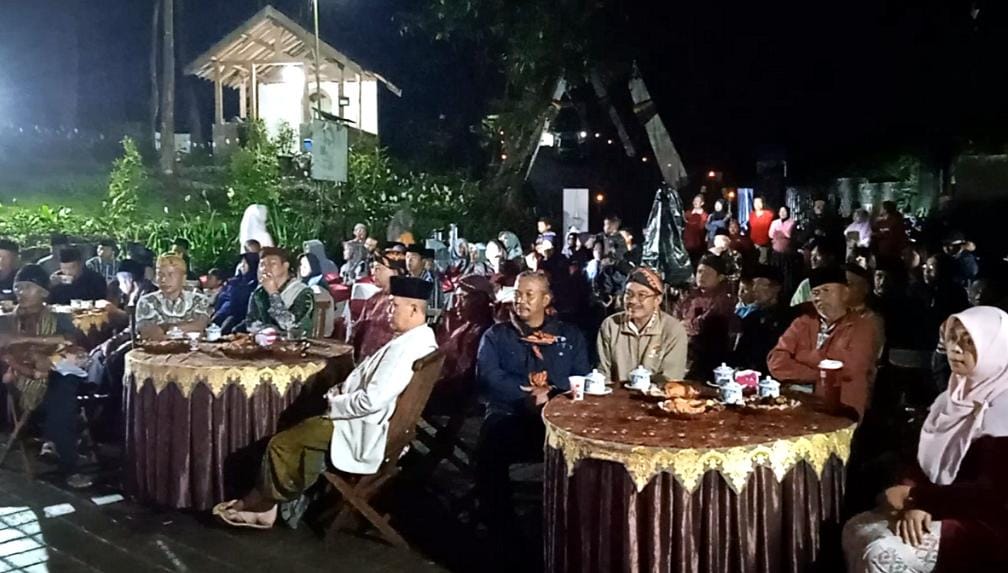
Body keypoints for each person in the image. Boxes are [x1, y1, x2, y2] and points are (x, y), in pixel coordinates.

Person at [213, 277, 437, 529]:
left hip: (362, 427)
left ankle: (263, 507)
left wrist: (335, 402)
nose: (388, 311)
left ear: (414, 309)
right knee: (301, 418)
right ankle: (266, 501)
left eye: (394, 306)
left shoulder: (406, 350)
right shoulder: (421, 339)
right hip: (370, 421)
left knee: (282, 443)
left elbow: (371, 401)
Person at [842, 306, 1008, 572]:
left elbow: (994, 493)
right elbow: (920, 460)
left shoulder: (1004, 407)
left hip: (986, 521)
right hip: (937, 503)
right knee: (856, 528)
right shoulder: (949, 399)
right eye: (952, 337)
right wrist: (907, 495)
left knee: (881, 551)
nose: (955, 349)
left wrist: (920, 500)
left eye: (969, 341)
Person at [475, 272, 589, 551]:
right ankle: (502, 531)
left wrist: (550, 395)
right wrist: (525, 393)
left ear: (546, 299)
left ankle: (572, 528)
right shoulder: (496, 336)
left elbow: (581, 376)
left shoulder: (569, 336)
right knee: (489, 447)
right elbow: (488, 377)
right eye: (517, 294)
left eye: (529, 295)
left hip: (558, 418)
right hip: (509, 414)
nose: (521, 301)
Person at [0, 264, 92, 488]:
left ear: (43, 292)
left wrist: (26, 341)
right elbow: (6, 351)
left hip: (57, 374)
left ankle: (56, 443)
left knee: (64, 384)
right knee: (62, 398)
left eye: (27, 287)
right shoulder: (7, 320)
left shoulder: (58, 317)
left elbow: (69, 342)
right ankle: (69, 466)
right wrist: (35, 360)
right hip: (24, 383)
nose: (20, 292)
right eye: (18, 287)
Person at [767, 266, 879, 418]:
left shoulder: (863, 327)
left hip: (842, 408)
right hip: (798, 405)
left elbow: (849, 369)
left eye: (826, 290)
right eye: (815, 293)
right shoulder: (802, 323)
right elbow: (776, 362)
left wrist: (801, 357)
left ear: (845, 293)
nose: (819, 297)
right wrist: (819, 373)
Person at [597, 267, 687, 382]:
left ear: (657, 300)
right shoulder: (611, 325)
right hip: (616, 393)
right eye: (628, 294)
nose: (633, 301)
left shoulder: (673, 330)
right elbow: (603, 374)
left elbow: (671, 379)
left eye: (642, 295)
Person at [673, 254, 738, 380]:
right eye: (699, 272)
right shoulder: (689, 296)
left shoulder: (724, 299)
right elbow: (675, 316)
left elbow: (705, 323)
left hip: (707, 353)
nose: (702, 276)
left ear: (720, 277)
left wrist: (686, 326)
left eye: (708, 273)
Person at [434, 275, 495, 402]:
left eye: (462, 298)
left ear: (479, 300)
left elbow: (462, 377)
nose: (456, 305)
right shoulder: (467, 327)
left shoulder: (484, 334)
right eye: (456, 299)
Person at [135, 255, 211, 340]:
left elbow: (199, 326)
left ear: (183, 278)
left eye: (170, 275)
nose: (163, 279)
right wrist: (184, 327)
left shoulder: (199, 300)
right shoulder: (146, 301)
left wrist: (167, 328)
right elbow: (148, 331)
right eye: (160, 274)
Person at [732, 265, 790, 374]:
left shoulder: (788, 318)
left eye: (761, 284)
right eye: (754, 284)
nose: (755, 289)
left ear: (776, 288)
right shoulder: (751, 318)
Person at [246, 247, 315, 336]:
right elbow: (250, 323)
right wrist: (265, 331)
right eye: (262, 264)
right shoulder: (259, 292)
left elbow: (293, 327)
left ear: (285, 266)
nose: (266, 268)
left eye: (273, 264)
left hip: (294, 342)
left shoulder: (302, 292)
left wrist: (273, 294)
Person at [351, 253, 405, 361]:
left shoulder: (404, 301)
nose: (373, 272)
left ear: (395, 272)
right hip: (365, 360)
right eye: (373, 268)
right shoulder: (375, 298)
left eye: (378, 269)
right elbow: (359, 327)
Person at [213, 252, 259, 334]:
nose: (242, 266)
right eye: (242, 262)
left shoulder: (255, 284)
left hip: (244, 317)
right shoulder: (235, 281)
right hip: (229, 313)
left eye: (245, 263)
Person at [791, 239, 842, 307]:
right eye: (812, 255)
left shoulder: (842, 282)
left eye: (817, 255)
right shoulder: (806, 285)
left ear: (831, 257)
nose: (813, 259)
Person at [406, 244, 443, 309]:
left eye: (413, 257)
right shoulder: (405, 280)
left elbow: (435, 308)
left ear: (423, 261)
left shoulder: (430, 280)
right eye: (407, 257)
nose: (409, 260)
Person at [748, 197, 775, 261]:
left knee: (763, 262)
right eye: (755, 202)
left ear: (762, 203)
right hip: (753, 245)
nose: (757, 204)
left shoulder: (769, 214)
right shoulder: (751, 215)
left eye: (759, 202)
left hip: (764, 245)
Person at [684, 194, 709, 262]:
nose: (695, 202)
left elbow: (703, 228)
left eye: (697, 201)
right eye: (694, 200)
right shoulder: (688, 213)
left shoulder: (704, 215)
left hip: (698, 242)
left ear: (702, 203)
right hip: (686, 241)